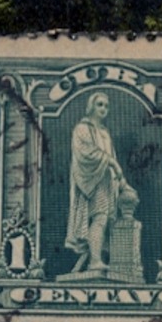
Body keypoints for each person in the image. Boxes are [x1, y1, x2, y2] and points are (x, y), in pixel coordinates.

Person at [63, 91, 132, 277]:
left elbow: (110, 154)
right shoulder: (82, 128)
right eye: (100, 105)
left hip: (107, 181)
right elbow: (86, 154)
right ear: (91, 106)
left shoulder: (104, 131)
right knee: (100, 218)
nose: (104, 109)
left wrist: (118, 179)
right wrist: (113, 164)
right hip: (92, 180)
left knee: (106, 220)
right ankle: (95, 261)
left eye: (106, 106)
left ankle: (94, 258)